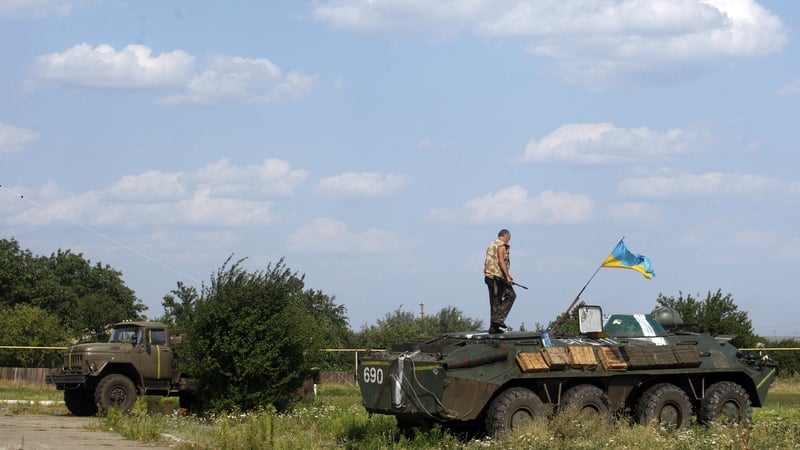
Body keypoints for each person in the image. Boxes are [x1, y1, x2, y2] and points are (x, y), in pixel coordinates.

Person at [484, 229, 516, 333]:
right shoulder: (501, 246)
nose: (509, 241)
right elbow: (501, 261)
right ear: (505, 236)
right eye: (509, 238)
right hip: (497, 278)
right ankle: (497, 320)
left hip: (489, 277)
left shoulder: (491, 245)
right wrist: (507, 276)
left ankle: (494, 328)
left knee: (495, 302)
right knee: (511, 295)